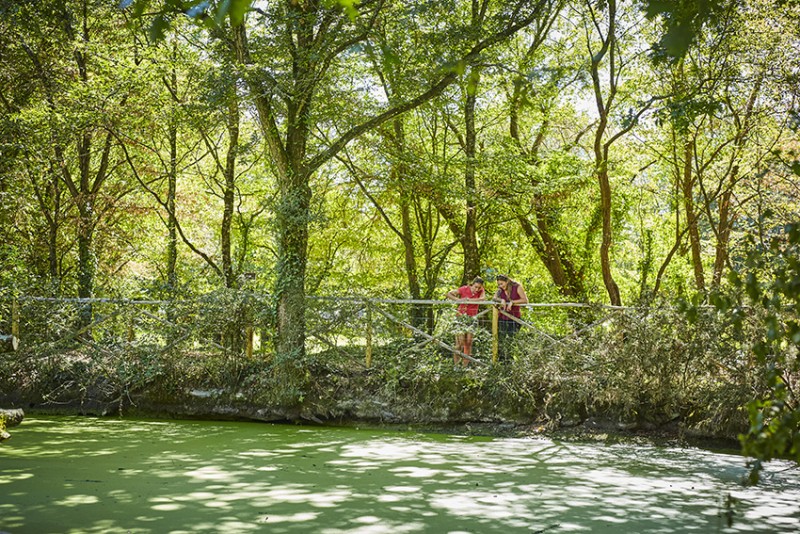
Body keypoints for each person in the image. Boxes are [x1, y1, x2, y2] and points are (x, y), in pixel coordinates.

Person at [446, 277, 486, 366]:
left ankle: (465, 366)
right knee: (459, 343)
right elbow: (449, 294)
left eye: (479, 287)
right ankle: (456, 365)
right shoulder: (464, 289)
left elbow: (482, 299)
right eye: (475, 287)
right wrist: (458, 300)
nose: (477, 289)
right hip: (461, 317)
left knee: (468, 343)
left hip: (472, 318)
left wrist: (469, 300)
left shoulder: (481, 290)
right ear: (472, 284)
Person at [494, 274, 528, 360]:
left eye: (502, 284)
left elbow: (525, 300)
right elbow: (494, 298)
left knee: (510, 341)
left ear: (507, 281)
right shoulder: (500, 290)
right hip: (502, 318)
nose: (500, 286)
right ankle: (500, 362)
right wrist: (501, 300)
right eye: (499, 284)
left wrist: (512, 302)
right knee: (501, 340)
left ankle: (509, 362)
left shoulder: (517, 287)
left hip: (514, 318)